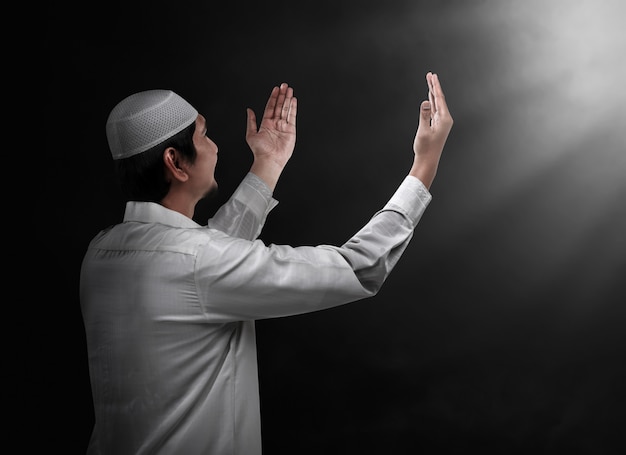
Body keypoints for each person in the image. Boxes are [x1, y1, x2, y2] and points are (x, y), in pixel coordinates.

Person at [80, 72, 453, 454]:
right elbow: (360, 267)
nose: (215, 148)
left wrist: (269, 163)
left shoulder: (101, 253)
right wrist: (425, 164)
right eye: (203, 136)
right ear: (175, 162)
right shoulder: (196, 263)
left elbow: (209, 259)